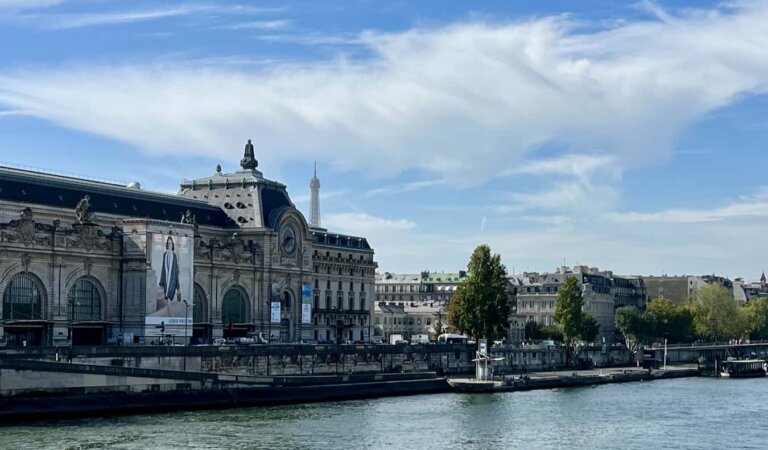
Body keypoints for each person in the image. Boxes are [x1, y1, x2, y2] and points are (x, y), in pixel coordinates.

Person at [159, 236, 180, 303]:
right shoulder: (164, 254)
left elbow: (176, 270)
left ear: (172, 244)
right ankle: (170, 314)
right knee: (167, 298)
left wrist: (177, 285)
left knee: (169, 298)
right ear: (167, 244)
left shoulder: (174, 255)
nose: (169, 245)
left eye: (171, 243)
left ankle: (170, 314)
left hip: (172, 280)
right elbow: (163, 268)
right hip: (166, 280)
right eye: (168, 243)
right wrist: (161, 282)